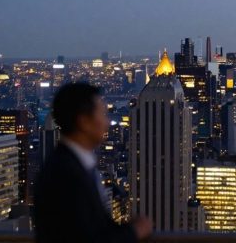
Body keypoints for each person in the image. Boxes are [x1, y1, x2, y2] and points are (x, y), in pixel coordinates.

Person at [35, 83, 152, 243]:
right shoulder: (66, 174)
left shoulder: (72, 165)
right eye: (102, 114)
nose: (106, 123)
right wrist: (135, 231)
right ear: (84, 122)